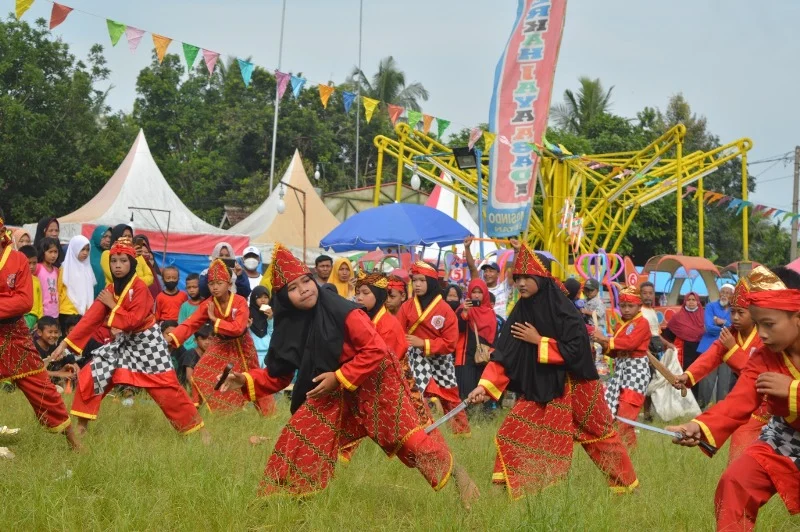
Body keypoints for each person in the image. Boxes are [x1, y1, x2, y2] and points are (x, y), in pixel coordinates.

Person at [218, 245, 479, 506]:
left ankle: (461, 477)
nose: (305, 289)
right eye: (294, 288)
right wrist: (246, 379)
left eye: (306, 281)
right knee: (301, 433)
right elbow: (279, 375)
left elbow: (376, 350)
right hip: (332, 387)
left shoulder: (344, 311)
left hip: (376, 383)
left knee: (409, 443)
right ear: (284, 298)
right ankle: (287, 501)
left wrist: (340, 376)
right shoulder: (291, 325)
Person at [467, 239, 637, 500]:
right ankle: (503, 494)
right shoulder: (520, 311)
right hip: (541, 388)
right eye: (517, 277)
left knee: (601, 437)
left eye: (527, 277)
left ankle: (627, 490)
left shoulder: (565, 310)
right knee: (509, 433)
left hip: (578, 385)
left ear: (541, 278)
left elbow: (579, 350)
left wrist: (540, 342)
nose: (521, 283)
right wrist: (484, 386)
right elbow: (505, 355)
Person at [666, 266, 800, 531]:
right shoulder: (764, 358)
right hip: (782, 436)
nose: (761, 334)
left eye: (769, 324)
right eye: (758, 323)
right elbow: (737, 401)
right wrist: (699, 426)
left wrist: (793, 390)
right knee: (734, 483)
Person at [51, 237, 208, 441]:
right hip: (124, 344)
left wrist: (113, 306)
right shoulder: (110, 290)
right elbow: (90, 319)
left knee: (168, 391)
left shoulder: (140, 288)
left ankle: (200, 432)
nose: (117, 265)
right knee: (92, 373)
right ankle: (81, 427)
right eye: (114, 261)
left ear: (132, 263)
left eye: (123, 261)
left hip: (148, 344)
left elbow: (133, 321)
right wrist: (64, 344)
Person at [0, 213, 79, 449]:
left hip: (15, 334)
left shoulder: (17, 260)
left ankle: (74, 443)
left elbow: (24, 301)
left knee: (42, 387)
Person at [673, 278, 766, 463]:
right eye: (732, 312)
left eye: (741, 313)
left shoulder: (765, 336)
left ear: (754, 314)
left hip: (767, 402)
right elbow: (712, 355)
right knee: (740, 454)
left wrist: (732, 350)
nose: (735, 318)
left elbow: (756, 372)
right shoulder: (730, 333)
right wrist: (687, 376)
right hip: (745, 398)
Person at [167, 259, 274, 417]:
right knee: (199, 374)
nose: (215, 287)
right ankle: (218, 413)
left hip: (242, 345)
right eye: (211, 284)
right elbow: (190, 324)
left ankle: (270, 416)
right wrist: (171, 339)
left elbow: (238, 328)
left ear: (229, 283)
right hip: (220, 344)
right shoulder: (208, 303)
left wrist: (215, 320)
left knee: (253, 379)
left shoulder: (240, 302)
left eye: (219, 283)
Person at [397, 261, 471, 436]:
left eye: (422, 280)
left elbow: (451, 342)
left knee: (450, 396)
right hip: (414, 356)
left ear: (430, 282)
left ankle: (462, 433)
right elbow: (398, 334)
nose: (417, 284)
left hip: (440, 357)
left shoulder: (445, 310)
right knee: (414, 394)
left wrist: (424, 343)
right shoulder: (406, 307)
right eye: (414, 280)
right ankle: (421, 433)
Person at [591, 286, 652, 449]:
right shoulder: (620, 325)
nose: (625, 309)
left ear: (639, 306)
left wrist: (604, 339)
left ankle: (627, 456)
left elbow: (630, 344)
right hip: (620, 371)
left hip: (636, 372)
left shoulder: (643, 323)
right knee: (611, 414)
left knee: (626, 417)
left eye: (630, 306)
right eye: (623, 306)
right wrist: (601, 345)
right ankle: (620, 453)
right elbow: (614, 352)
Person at [455, 279, 496, 402]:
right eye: (474, 292)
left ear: (485, 294)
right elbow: (458, 328)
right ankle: (464, 420)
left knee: (480, 396)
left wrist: (492, 352)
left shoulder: (490, 312)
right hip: (465, 359)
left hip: (483, 358)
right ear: (469, 294)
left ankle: (478, 419)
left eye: (480, 292)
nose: (477, 295)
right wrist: (465, 312)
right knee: (465, 395)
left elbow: (494, 335)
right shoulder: (462, 309)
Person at [697, 283, 735, 407]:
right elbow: (709, 327)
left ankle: (721, 409)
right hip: (710, 347)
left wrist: (722, 322)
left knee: (725, 381)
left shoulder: (734, 309)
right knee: (707, 380)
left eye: (727, 293)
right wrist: (728, 327)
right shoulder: (710, 306)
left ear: (733, 296)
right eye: (722, 292)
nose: (724, 295)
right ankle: (702, 407)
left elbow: (736, 328)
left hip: (727, 348)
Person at [463, 236, 511, 319]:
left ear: (498, 274)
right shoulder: (480, 289)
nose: (487, 274)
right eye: (485, 271)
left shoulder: (505, 287)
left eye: (491, 271)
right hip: (483, 327)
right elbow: (472, 269)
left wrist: (517, 251)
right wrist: (467, 248)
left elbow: (514, 269)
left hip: (501, 328)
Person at [663, 292, 705, 383]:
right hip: (683, 351)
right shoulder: (677, 317)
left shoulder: (704, 316)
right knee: (682, 377)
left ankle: (695, 397)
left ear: (697, 302)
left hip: (699, 351)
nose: (691, 302)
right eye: (688, 300)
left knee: (696, 375)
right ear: (685, 302)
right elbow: (667, 335)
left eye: (693, 300)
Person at [57, 235, 95, 330]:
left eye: (87, 250)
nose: (85, 253)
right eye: (82, 249)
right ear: (74, 249)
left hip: (83, 313)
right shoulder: (65, 268)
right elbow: (58, 290)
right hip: (67, 311)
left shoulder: (87, 268)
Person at [178, 322, 212, 388]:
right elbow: (189, 378)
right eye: (202, 339)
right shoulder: (191, 354)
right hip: (186, 389)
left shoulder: (210, 355)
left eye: (210, 339)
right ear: (195, 340)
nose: (207, 342)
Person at [18, 245, 43, 329]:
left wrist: (40, 320)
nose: (32, 266)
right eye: (28, 263)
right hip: (22, 316)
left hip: (34, 317)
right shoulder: (17, 280)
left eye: (34, 263)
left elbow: (40, 302)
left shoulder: (36, 280)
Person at [248, 285, 273, 367]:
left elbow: (272, 334)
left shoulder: (271, 313)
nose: (263, 300)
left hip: (268, 354)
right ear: (254, 299)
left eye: (266, 297)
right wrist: (247, 326)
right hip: (253, 354)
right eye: (259, 297)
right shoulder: (248, 313)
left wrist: (270, 319)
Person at [36, 237, 61, 319]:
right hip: (41, 313)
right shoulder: (38, 268)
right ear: (43, 252)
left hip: (55, 313)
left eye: (55, 252)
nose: (53, 255)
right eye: (50, 252)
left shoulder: (57, 271)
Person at [178, 273, 202, 351]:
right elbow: (181, 326)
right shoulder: (184, 306)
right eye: (189, 287)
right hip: (187, 343)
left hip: (203, 341)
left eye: (195, 287)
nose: (191, 290)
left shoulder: (205, 303)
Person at [89, 226, 111, 297]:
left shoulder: (111, 255)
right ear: (97, 236)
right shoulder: (87, 253)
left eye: (110, 237)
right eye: (104, 236)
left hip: (106, 297)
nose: (108, 240)